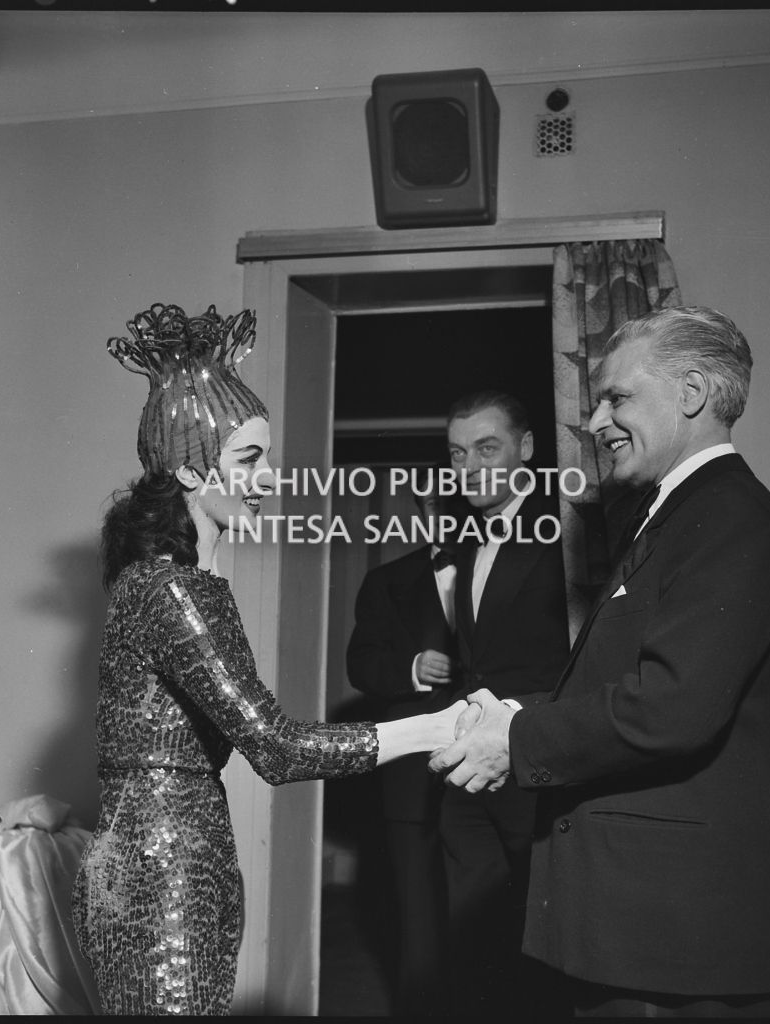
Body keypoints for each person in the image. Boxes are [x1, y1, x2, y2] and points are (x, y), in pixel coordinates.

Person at [70, 302, 466, 1016]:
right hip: (170, 868)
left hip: (156, 853)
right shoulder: (174, 591)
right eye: (247, 460)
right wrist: (436, 727)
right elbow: (278, 748)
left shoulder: (155, 580)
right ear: (190, 473)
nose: (264, 478)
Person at [431, 306, 770, 1018]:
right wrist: (518, 713)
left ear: (691, 394)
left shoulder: (727, 516)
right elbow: (617, 683)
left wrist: (514, 741)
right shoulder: (670, 515)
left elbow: (670, 708)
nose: (597, 420)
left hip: (679, 926)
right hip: (645, 919)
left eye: (617, 397)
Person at [440, 391, 571, 1015]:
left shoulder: (569, 530)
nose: (468, 467)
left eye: (486, 448)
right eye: (457, 453)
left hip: (534, 762)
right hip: (467, 769)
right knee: (473, 936)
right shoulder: (466, 540)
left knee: (540, 940)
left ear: (526, 449)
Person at [345, 468, 464, 1016]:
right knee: (417, 916)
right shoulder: (387, 581)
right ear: (418, 509)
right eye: (428, 505)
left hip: (495, 771)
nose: (437, 514)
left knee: (487, 913)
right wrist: (412, 667)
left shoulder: (517, 566)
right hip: (413, 777)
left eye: (449, 502)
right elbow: (361, 664)